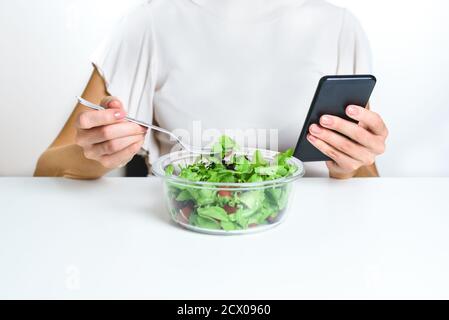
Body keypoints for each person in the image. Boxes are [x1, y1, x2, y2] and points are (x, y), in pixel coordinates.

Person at [34, 0, 388, 179]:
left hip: (311, 249)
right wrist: (96, 156)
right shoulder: (151, 22)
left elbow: (364, 180)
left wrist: (348, 165)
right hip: (183, 237)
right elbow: (47, 169)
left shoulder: (338, 27)